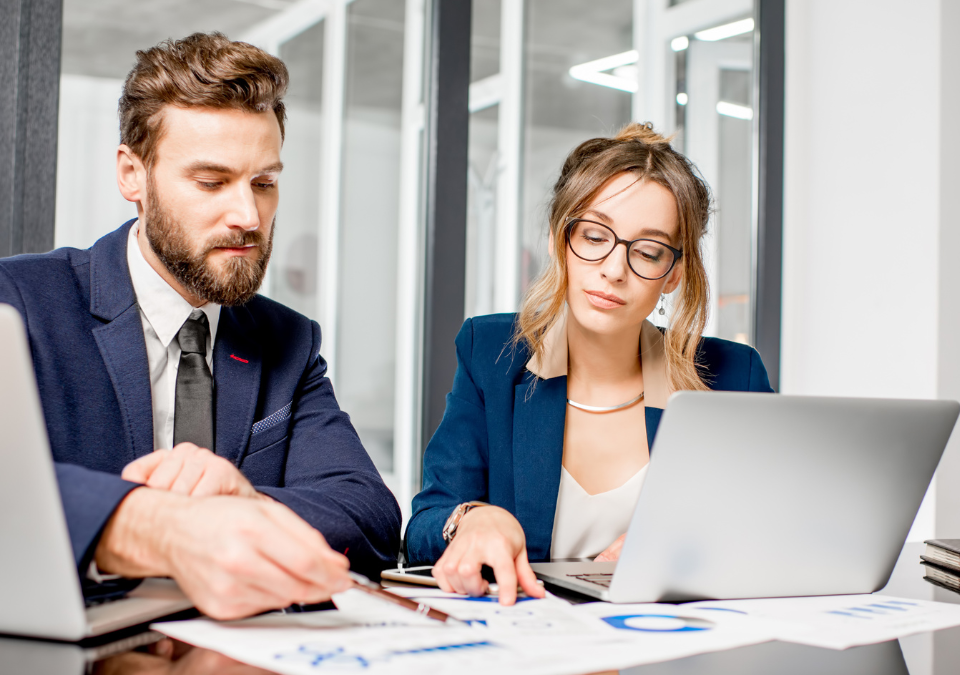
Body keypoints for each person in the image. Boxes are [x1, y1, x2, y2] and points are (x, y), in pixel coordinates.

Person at [0, 33, 400, 619]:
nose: (248, 216)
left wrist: (244, 502)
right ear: (132, 175)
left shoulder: (288, 340)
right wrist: (152, 525)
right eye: (211, 182)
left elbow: (368, 515)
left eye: (264, 183)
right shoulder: (19, 302)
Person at [405, 123, 773, 605]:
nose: (614, 269)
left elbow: (773, 528)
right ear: (563, 239)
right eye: (596, 236)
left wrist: (688, 548)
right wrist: (470, 519)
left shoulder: (734, 375)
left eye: (647, 251)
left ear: (673, 274)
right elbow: (425, 525)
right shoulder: (491, 351)